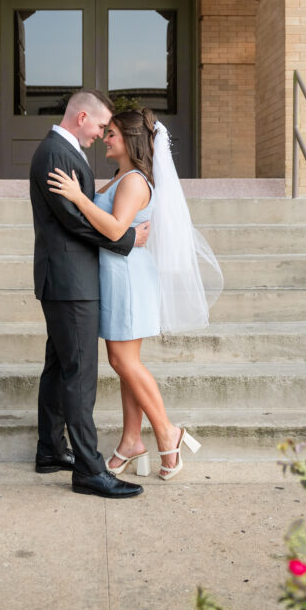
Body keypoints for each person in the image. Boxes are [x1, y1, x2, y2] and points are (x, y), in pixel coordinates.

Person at [48, 107, 222, 481]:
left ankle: (167, 432)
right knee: (123, 362)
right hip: (116, 276)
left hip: (127, 278)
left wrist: (79, 198)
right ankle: (131, 441)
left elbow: (114, 230)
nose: (105, 139)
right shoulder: (120, 177)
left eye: (111, 133)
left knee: (124, 362)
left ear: (129, 140)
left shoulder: (134, 182)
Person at [29, 89, 150, 499]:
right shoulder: (57, 155)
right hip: (71, 282)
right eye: (100, 126)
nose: (101, 134)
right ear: (82, 118)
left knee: (60, 367)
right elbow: (77, 222)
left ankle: (50, 450)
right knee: (79, 376)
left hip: (67, 279)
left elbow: (78, 217)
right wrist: (128, 239)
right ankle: (89, 470)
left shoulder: (60, 151)